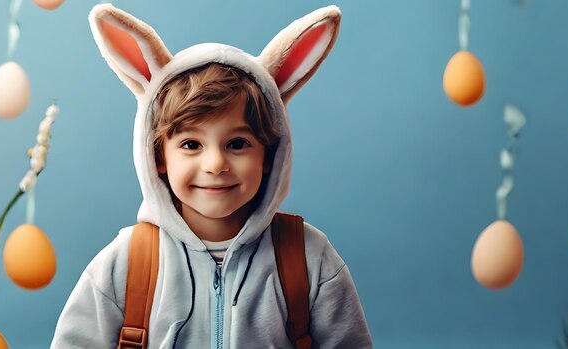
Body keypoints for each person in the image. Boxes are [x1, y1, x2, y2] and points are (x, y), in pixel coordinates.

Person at [51, 3, 372, 348]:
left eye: (237, 143)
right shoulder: (124, 264)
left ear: (269, 155)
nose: (215, 164)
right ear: (158, 156)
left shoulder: (309, 256)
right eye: (191, 144)